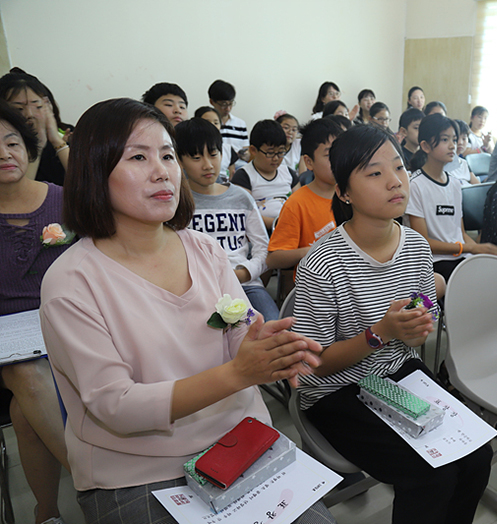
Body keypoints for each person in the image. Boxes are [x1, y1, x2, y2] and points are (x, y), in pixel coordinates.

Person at [39, 98, 331, 524]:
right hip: (136, 470)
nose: (162, 171)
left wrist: (266, 347)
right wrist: (238, 374)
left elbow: (238, 329)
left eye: (167, 155)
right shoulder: (72, 282)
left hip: (238, 439)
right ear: (93, 171)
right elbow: (115, 405)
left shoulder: (203, 249)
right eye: (138, 157)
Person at [292, 124, 492, 524]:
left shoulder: (415, 245)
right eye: (374, 172)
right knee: (429, 477)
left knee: (477, 455)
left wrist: (420, 323)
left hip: (397, 374)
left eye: (398, 167)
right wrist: (381, 333)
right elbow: (312, 367)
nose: (395, 181)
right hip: (337, 392)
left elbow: (423, 315)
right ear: (345, 193)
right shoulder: (322, 262)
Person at [0, 100, 71, 524]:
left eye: (11, 142)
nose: (4, 153)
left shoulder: (64, 201)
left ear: (28, 149)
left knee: (22, 416)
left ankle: (46, 514)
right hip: (6, 342)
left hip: (63, 324)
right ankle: (91, 476)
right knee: (23, 372)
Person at [176, 118, 279, 321]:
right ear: (179, 161)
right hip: (198, 290)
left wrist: (244, 273)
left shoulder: (241, 198)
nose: (208, 165)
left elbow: (263, 247)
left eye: (213, 155)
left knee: (272, 328)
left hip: (245, 286)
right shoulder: (176, 203)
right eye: (196, 158)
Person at [406, 114, 497, 282]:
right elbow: (424, 243)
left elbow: (460, 232)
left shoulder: (455, 184)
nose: (452, 146)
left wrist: (476, 249)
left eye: (454, 140)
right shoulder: (416, 185)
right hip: (435, 261)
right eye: (444, 140)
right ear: (425, 146)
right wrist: (468, 248)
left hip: (460, 256)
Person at [266, 118, 343, 277]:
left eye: (341, 152)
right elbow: (273, 259)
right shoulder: (297, 203)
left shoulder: (355, 196)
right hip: (315, 289)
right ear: (309, 162)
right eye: (329, 154)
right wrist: (310, 252)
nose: (338, 159)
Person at [0, 68, 70, 185]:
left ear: (48, 105)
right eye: (19, 109)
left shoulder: (67, 134)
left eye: (37, 106)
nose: (29, 115)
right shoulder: (6, 147)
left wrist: (57, 142)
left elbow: (88, 184)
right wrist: (38, 145)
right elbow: (18, 192)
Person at [231, 120, 298, 229]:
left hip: (290, 228)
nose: (276, 158)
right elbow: (244, 214)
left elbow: (300, 205)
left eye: (280, 152)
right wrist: (278, 224)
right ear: (253, 150)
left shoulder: (289, 173)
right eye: (270, 153)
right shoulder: (244, 176)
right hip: (261, 232)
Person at [208, 79, 249, 176]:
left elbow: (247, 151)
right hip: (214, 164)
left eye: (230, 104)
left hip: (238, 165)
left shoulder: (240, 124)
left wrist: (246, 155)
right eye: (223, 104)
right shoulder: (206, 122)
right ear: (212, 102)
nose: (228, 109)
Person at [445, 120, 480, 186]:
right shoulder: (444, 164)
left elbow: (477, 185)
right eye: (457, 138)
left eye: (464, 138)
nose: (460, 142)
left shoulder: (464, 163)